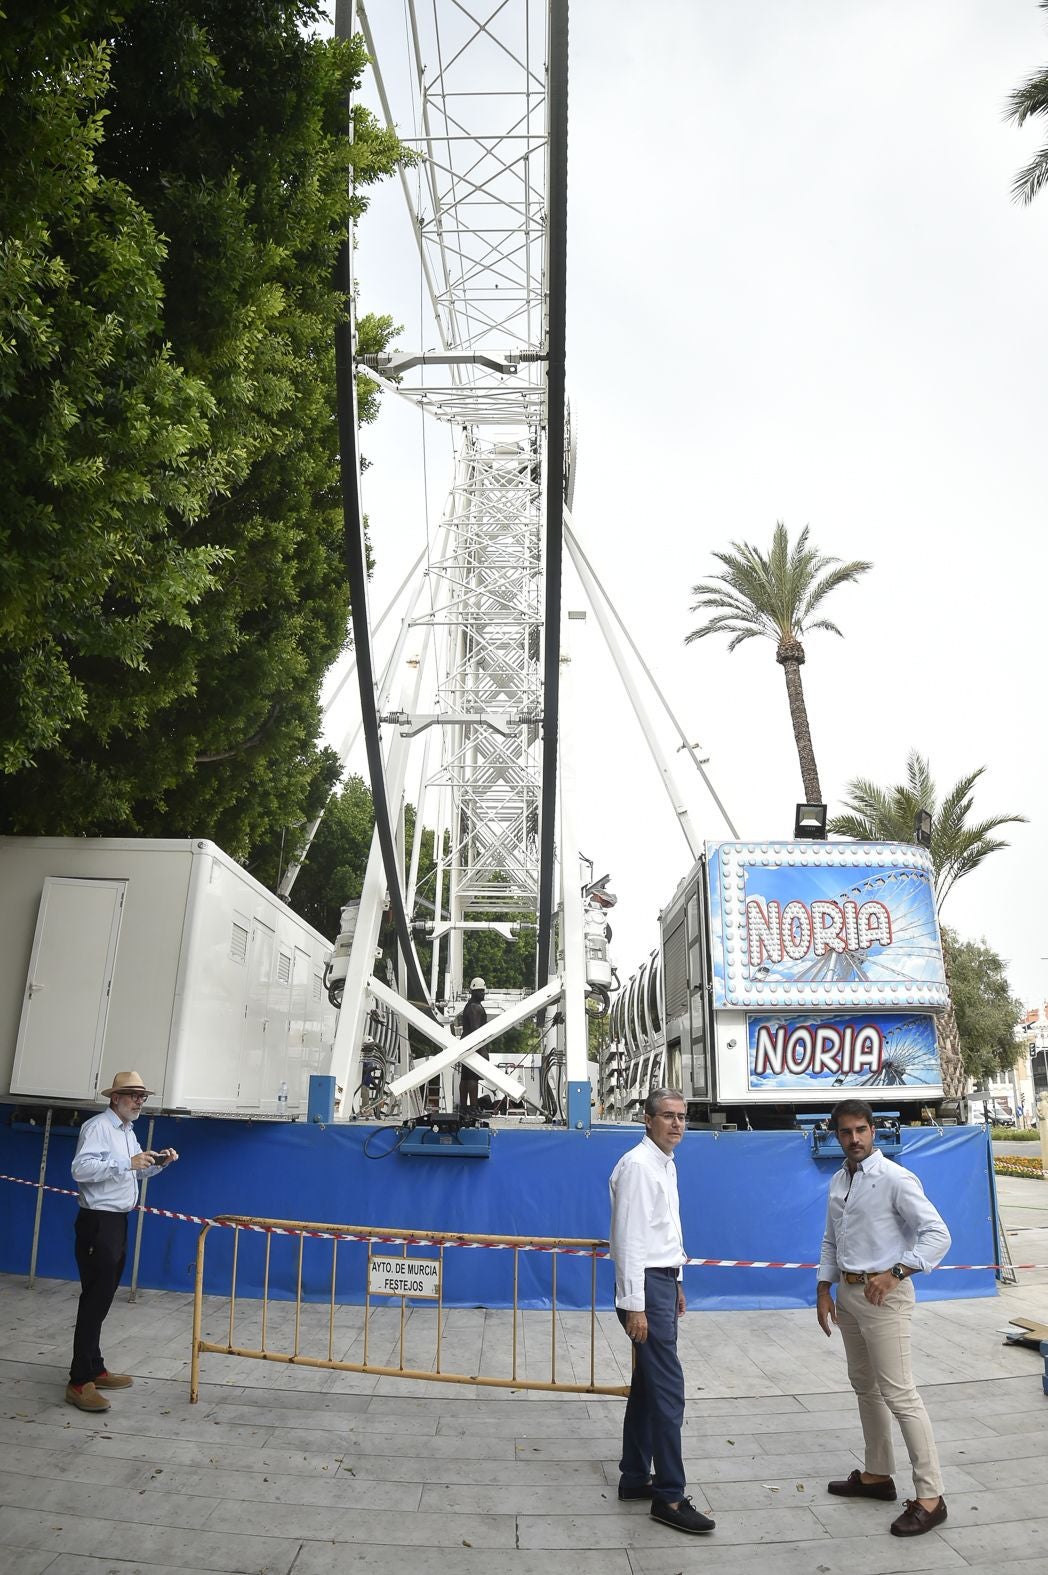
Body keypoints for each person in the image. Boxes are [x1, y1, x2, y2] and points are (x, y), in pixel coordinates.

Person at [816, 1098, 951, 1537]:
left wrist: (895, 1273)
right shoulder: (839, 1181)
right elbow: (831, 1240)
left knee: (900, 1395)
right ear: (835, 1135)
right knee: (865, 1387)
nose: (853, 1139)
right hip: (849, 1295)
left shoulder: (894, 1178)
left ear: (874, 1132)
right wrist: (823, 1287)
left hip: (884, 1299)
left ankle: (930, 1497)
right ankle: (877, 1476)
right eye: (844, 1132)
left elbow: (938, 1235)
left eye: (861, 1130)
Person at [608, 1087, 715, 1536]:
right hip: (645, 1288)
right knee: (669, 1393)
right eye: (667, 1116)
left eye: (682, 1117)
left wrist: (678, 1284)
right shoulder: (637, 1166)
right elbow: (630, 1240)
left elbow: (666, 1232)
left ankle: (635, 1477)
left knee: (648, 1389)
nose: (676, 1124)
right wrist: (636, 1306)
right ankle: (669, 1496)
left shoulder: (664, 1165)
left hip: (661, 1283)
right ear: (648, 1120)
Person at [66, 1070, 180, 1413]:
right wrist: (126, 1161)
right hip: (98, 1223)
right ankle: (78, 1381)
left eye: (142, 1097)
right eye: (133, 1096)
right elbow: (80, 1170)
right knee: (94, 1300)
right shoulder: (98, 1128)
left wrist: (157, 1163)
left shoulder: (126, 1131)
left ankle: (94, 1368)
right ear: (114, 1097)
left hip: (115, 1221)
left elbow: (131, 1170)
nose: (139, 1102)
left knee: (102, 1298)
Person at [457, 977, 488, 1111]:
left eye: (483, 991)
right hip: (473, 1046)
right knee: (472, 1078)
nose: (483, 993)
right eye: (480, 991)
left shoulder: (469, 1005)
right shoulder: (476, 1007)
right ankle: (474, 1107)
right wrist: (482, 1050)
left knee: (465, 1077)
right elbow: (476, 1031)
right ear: (473, 992)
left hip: (466, 1044)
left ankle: (464, 1106)